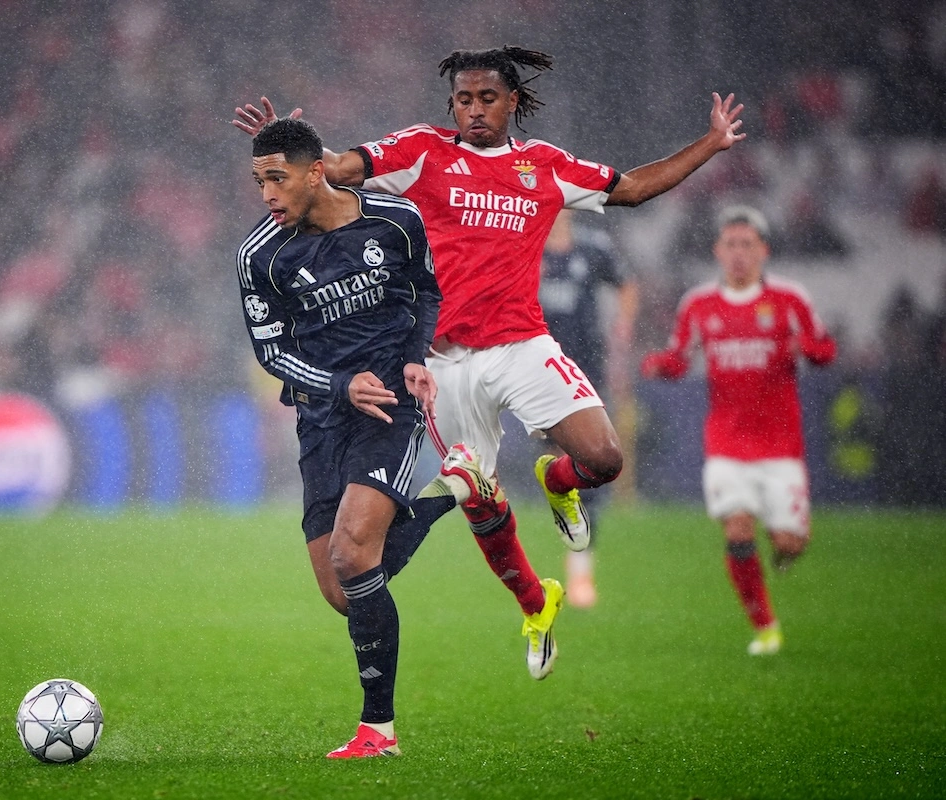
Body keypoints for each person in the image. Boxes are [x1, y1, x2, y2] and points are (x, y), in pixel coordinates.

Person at [234, 45, 746, 680]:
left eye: (487, 98)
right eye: (463, 99)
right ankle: (535, 604)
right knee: (475, 497)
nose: (474, 110)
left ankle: (558, 483)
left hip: (523, 346)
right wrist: (290, 153)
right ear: (452, 105)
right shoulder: (422, 151)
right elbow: (338, 168)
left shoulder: (545, 167)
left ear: (513, 102)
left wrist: (710, 142)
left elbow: (634, 189)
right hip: (442, 365)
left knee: (606, 459)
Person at [238, 117, 500, 758]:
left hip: (388, 407)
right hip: (321, 417)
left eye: (277, 178)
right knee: (342, 592)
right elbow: (273, 354)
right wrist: (336, 386)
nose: (267, 194)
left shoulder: (393, 220)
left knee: (355, 557)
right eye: (258, 181)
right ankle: (454, 490)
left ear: (315, 170)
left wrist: (415, 357)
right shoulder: (261, 257)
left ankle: (377, 731)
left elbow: (427, 293)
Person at [641, 205, 837, 656]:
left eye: (747, 244)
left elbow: (825, 350)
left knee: (788, 542)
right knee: (738, 528)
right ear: (717, 250)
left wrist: (801, 346)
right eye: (730, 244)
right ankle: (765, 626)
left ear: (763, 251)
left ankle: (785, 545)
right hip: (726, 442)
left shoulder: (790, 300)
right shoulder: (698, 304)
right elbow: (678, 356)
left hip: (781, 445)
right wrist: (657, 366)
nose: (738, 253)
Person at [537, 209, 639, 608]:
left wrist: (623, 327)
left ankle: (581, 572)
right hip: (539, 378)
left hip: (586, 375)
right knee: (555, 474)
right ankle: (575, 554)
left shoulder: (593, 248)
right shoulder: (524, 245)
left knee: (589, 469)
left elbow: (627, 285)